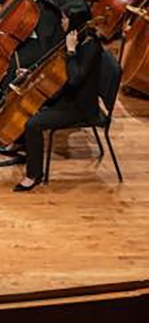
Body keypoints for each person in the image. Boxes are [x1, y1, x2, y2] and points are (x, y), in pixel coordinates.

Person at [8, 12, 103, 192]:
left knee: (33, 124)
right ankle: (22, 145)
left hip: (80, 107)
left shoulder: (91, 47)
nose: (62, 21)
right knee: (30, 101)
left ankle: (33, 174)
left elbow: (75, 78)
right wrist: (30, 74)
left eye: (65, 18)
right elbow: (56, 73)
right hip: (68, 96)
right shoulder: (74, 39)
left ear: (75, 22)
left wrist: (71, 52)